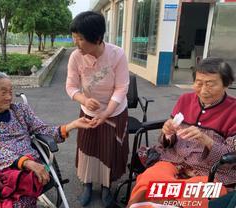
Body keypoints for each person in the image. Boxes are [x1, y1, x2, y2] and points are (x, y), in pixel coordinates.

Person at [0, 71, 94, 208]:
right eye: (3, 92)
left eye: (10, 91)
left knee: (21, 204)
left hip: (23, 172)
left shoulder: (21, 110)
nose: (9, 97)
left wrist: (72, 125)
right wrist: (25, 162)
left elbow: (42, 130)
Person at [128, 57, 236, 207]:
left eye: (210, 84)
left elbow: (231, 156)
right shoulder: (185, 99)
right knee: (147, 183)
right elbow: (166, 141)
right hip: (174, 160)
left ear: (227, 84)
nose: (203, 90)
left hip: (209, 170)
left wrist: (206, 140)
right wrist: (168, 133)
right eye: (199, 83)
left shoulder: (233, 111)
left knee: (194, 198)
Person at [66, 11, 130, 207]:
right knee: (87, 148)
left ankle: (106, 187)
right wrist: (83, 99)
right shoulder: (76, 57)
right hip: (88, 112)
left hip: (114, 112)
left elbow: (121, 87)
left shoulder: (116, 54)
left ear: (98, 38)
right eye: (74, 38)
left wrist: (106, 112)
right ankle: (87, 185)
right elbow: (71, 86)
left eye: (80, 39)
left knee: (109, 151)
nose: (76, 43)